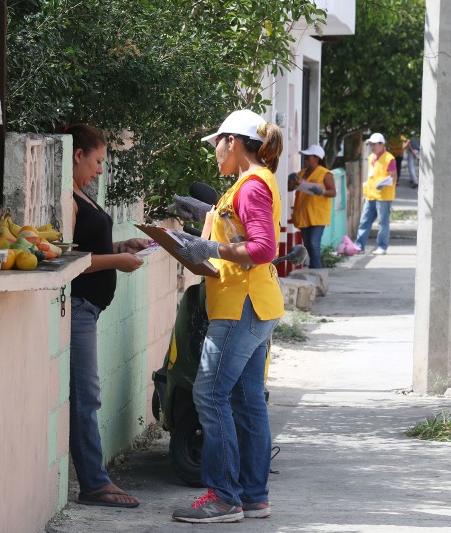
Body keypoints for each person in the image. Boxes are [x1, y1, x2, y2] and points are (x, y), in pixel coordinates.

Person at [170, 110, 284, 524]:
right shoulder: (254, 181)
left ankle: (224, 497)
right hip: (255, 304)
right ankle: (253, 496)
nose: (214, 152)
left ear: (233, 142)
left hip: (241, 306)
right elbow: (238, 228)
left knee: (210, 394)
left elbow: (262, 248)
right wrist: (208, 213)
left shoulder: (251, 185)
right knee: (246, 400)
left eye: (216, 143)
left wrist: (209, 250)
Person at [67, 124, 152, 508]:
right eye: (97, 160)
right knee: (87, 397)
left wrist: (122, 245)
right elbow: (71, 261)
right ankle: (94, 484)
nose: (100, 170)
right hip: (80, 307)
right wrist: (117, 260)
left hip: (90, 309)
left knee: (89, 395)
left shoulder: (81, 195)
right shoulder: (67, 200)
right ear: (77, 155)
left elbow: (90, 247)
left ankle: (97, 479)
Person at [288, 144, 337, 269]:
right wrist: (291, 181)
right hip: (304, 215)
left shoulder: (326, 174)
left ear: (316, 158)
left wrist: (322, 192)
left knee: (314, 243)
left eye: (308, 157)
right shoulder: (302, 173)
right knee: (308, 245)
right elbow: (290, 188)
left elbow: (333, 192)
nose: (305, 159)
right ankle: (314, 269)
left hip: (318, 215)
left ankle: (317, 270)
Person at [354, 132, 397, 255]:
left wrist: (384, 183)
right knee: (364, 221)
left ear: (382, 144)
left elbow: (393, 177)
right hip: (371, 195)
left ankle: (382, 246)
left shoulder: (389, 158)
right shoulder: (371, 157)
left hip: (383, 196)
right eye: (371, 145)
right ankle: (359, 245)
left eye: (374, 145)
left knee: (382, 223)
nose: (372, 147)